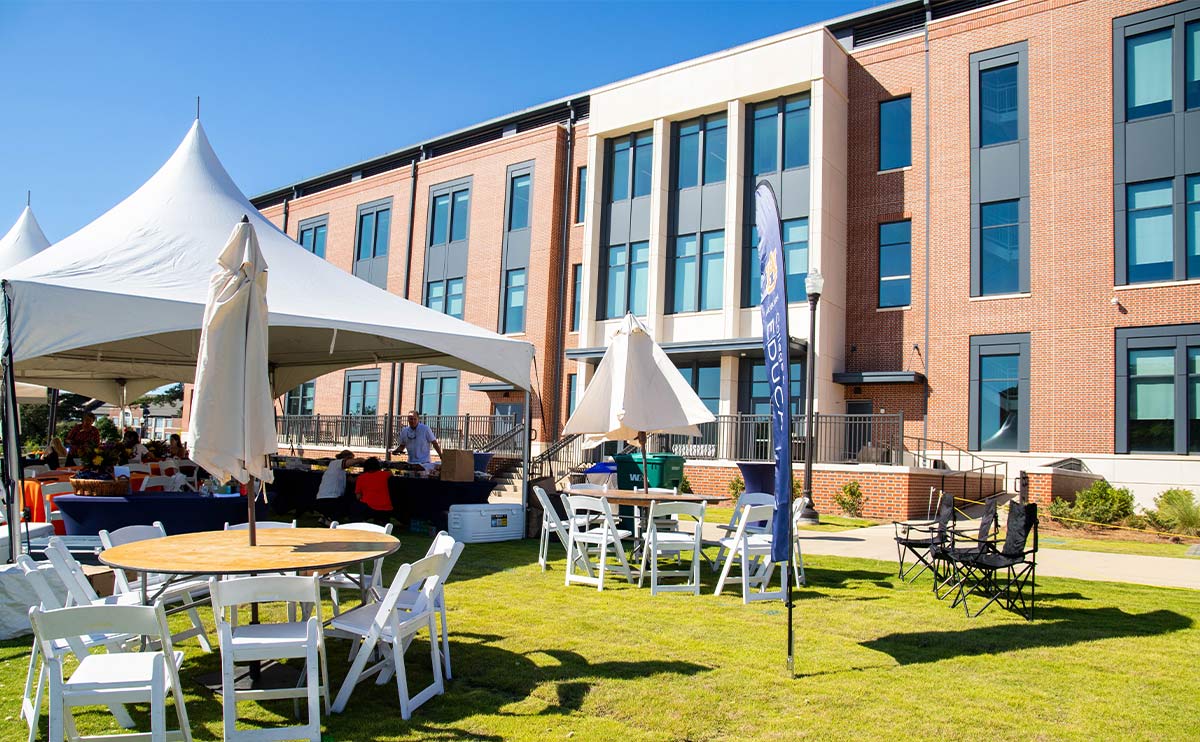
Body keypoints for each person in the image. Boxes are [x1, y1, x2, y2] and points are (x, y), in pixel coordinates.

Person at [314, 449, 363, 523]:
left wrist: (364, 475)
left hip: (323, 498)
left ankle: (326, 518)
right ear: (346, 458)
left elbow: (352, 480)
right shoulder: (337, 463)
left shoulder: (338, 471)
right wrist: (361, 460)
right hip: (330, 499)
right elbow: (353, 462)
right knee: (348, 504)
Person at [352, 457, 393, 524]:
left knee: (355, 505)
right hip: (386, 508)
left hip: (368, 508)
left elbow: (358, 496)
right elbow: (390, 473)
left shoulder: (361, 478)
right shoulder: (385, 475)